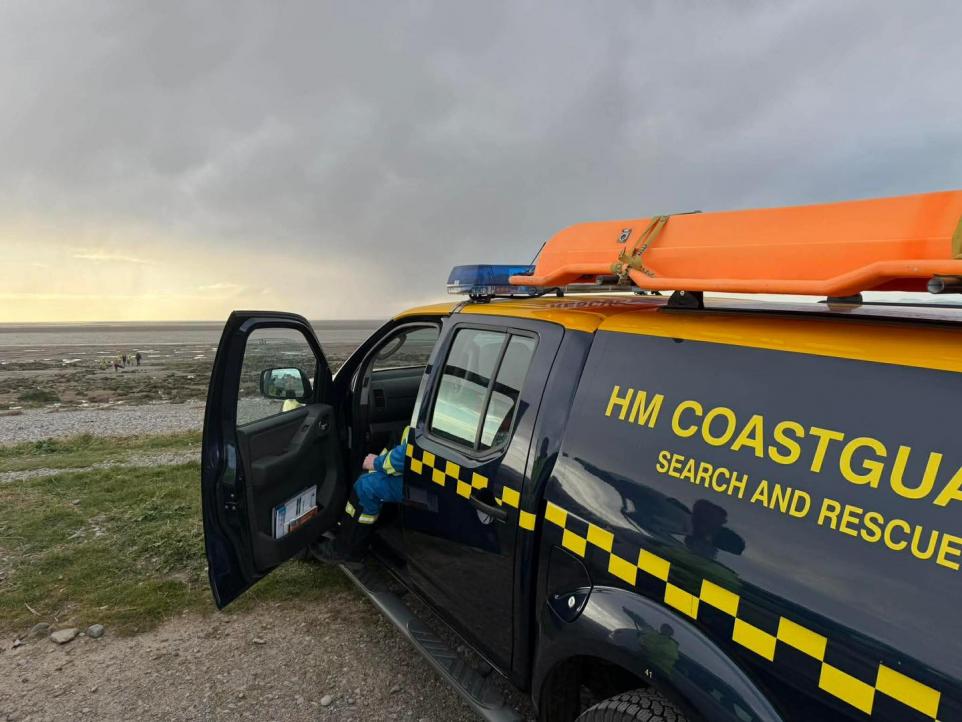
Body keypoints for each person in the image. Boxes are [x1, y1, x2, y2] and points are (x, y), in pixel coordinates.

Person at [314, 429, 408, 564]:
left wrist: (377, 463)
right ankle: (353, 527)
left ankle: (348, 551)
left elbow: (409, 453)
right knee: (398, 435)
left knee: (365, 486)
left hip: (426, 484)